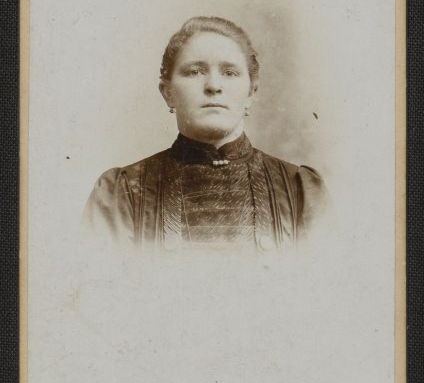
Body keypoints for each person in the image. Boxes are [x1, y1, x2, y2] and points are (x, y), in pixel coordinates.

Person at [84, 16, 326, 253]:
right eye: (195, 71)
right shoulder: (122, 194)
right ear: (167, 92)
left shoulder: (301, 192)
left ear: (251, 92)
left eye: (230, 72)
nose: (213, 86)